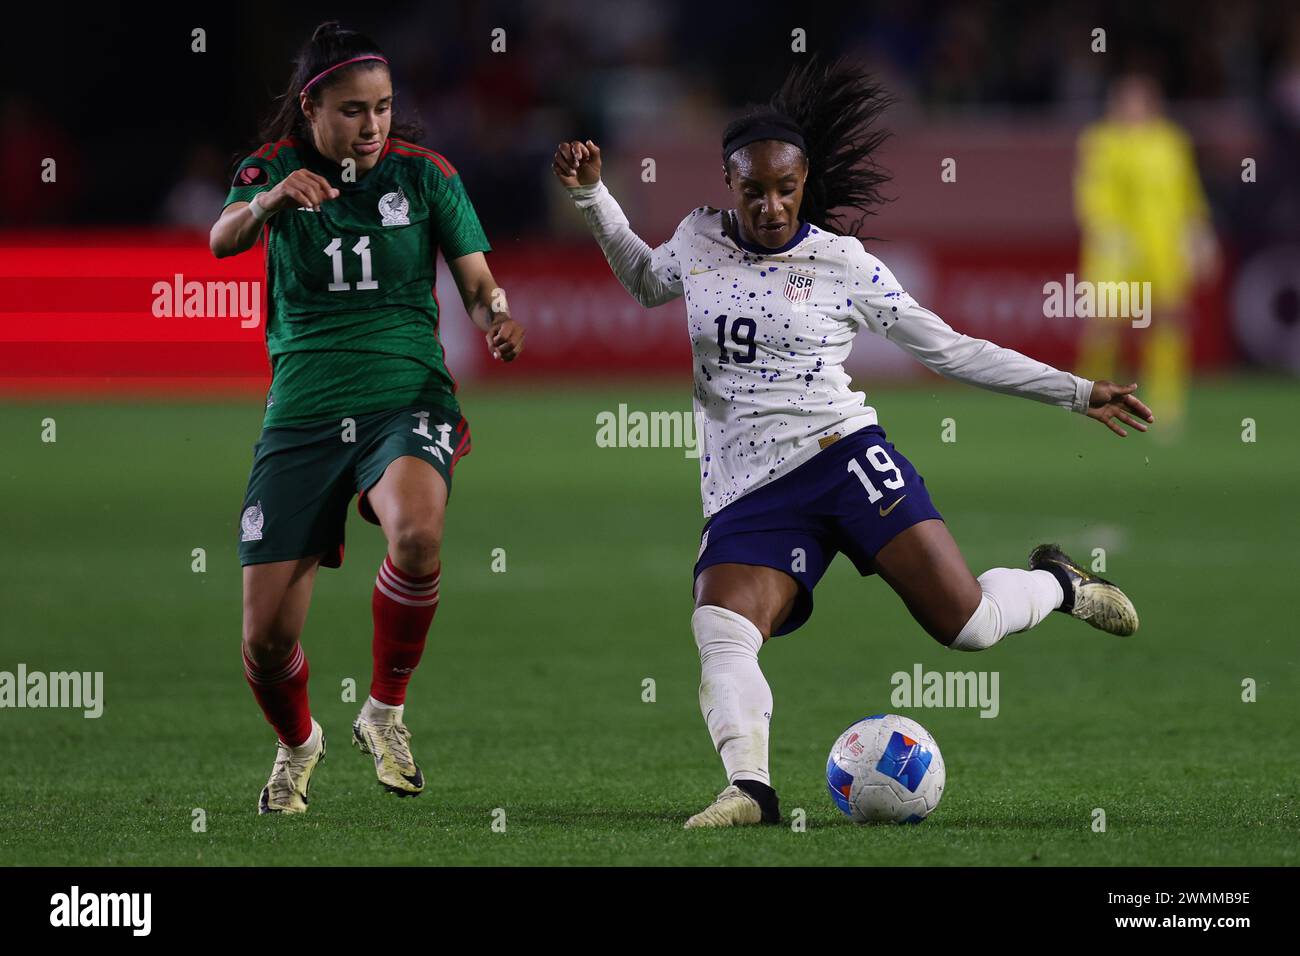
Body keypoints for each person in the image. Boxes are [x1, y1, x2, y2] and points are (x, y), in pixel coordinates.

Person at [553, 58, 1151, 829]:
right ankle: (752, 790)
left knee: (966, 626)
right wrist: (593, 197)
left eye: (785, 188)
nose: (770, 205)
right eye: (753, 189)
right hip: (747, 488)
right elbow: (643, 280)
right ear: (728, 184)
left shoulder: (841, 263)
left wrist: (1075, 390)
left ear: (804, 184)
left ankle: (1059, 585)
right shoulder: (698, 237)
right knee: (721, 625)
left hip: (843, 456)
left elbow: (951, 349)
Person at [210, 21, 524, 814]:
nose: (374, 125)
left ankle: (384, 711)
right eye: (354, 110)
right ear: (312, 108)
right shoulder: (271, 170)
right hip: (304, 413)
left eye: (383, 107)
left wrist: (494, 316)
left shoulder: (425, 177)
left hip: (405, 397)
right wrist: (273, 200)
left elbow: (479, 280)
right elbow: (222, 239)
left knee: (418, 534)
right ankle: (298, 744)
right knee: (264, 641)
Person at [1074, 71, 1218, 439]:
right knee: (1105, 327)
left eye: (1141, 101)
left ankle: (1166, 408)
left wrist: (1198, 233)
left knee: (1168, 325)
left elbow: (1189, 193)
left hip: (1164, 249)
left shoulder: (1171, 141)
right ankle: (1088, 398)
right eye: (1127, 101)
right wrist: (1106, 231)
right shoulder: (1101, 141)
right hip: (1117, 250)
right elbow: (1092, 193)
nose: (1133, 109)